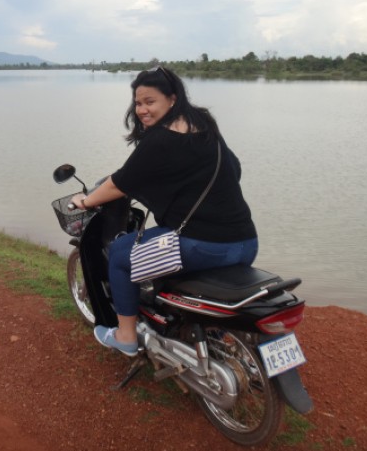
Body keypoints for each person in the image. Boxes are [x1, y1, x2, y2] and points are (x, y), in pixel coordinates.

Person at [70, 66, 258, 357]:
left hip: (204, 247)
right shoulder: (203, 122)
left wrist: (86, 201)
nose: (142, 110)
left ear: (171, 99)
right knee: (159, 248)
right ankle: (210, 333)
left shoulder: (161, 139)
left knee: (120, 254)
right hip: (245, 242)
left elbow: (120, 183)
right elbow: (234, 167)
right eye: (138, 102)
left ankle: (126, 336)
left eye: (150, 102)